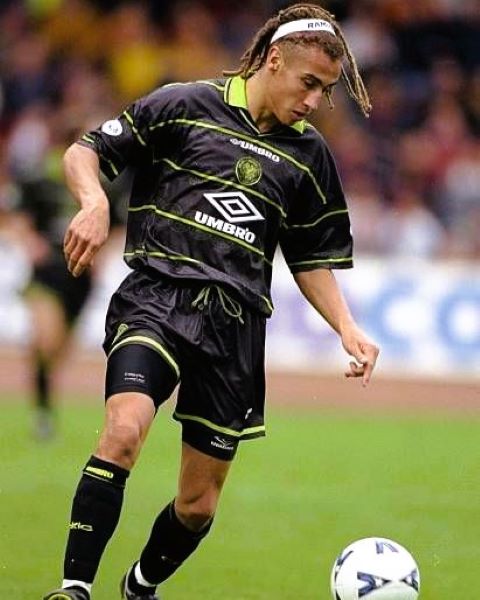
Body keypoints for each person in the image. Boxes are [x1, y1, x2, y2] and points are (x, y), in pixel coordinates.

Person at [43, 3, 379, 599]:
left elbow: (310, 258)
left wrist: (346, 327)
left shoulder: (310, 158)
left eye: (325, 91)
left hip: (235, 329)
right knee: (123, 430)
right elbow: (84, 152)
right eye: (309, 83)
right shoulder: (184, 104)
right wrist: (93, 203)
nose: (314, 101)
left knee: (197, 506)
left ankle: (139, 586)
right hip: (157, 298)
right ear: (273, 61)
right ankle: (74, 589)